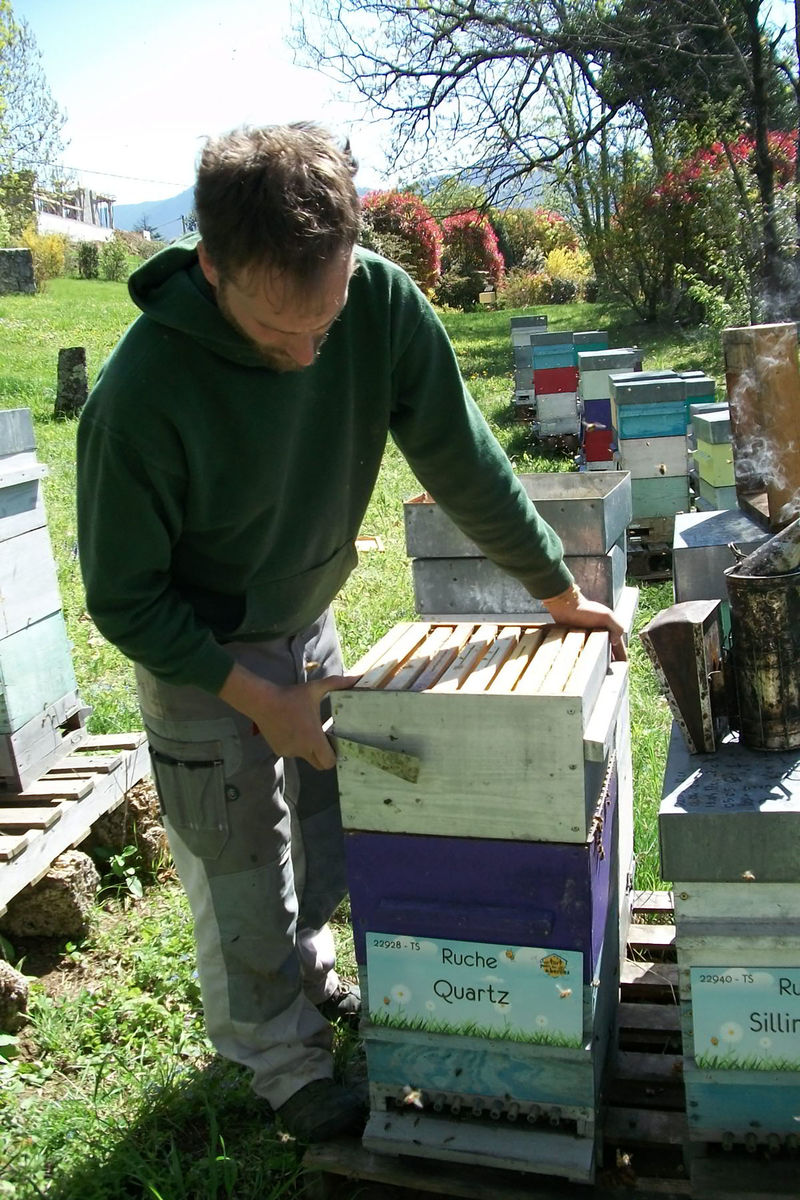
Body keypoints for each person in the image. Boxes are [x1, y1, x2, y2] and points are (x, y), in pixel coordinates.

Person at [76, 122, 625, 1143]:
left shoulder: (374, 303)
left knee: (326, 839)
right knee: (240, 868)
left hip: (307, 621)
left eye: (322, 324)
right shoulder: (139, 397)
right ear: (211, 269)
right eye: (278, 333)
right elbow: (124, 600)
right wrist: (255, 697)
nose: (306, 354)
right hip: (198, 651)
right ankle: (276, 1061)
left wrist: (556, 592)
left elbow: (460, 455)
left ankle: (310, 974)